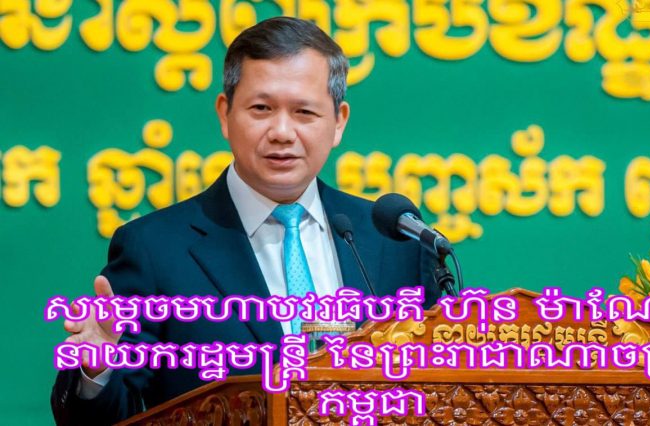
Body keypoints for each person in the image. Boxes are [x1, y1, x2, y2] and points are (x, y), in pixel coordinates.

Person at [51, 16, 441, 425]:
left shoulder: (395, 242)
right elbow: (104, 417)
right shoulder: (155, 249)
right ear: (225, 113)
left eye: (304, 111)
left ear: (338, 121)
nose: (282, 132)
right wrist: (98, 371)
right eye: (261, 109)